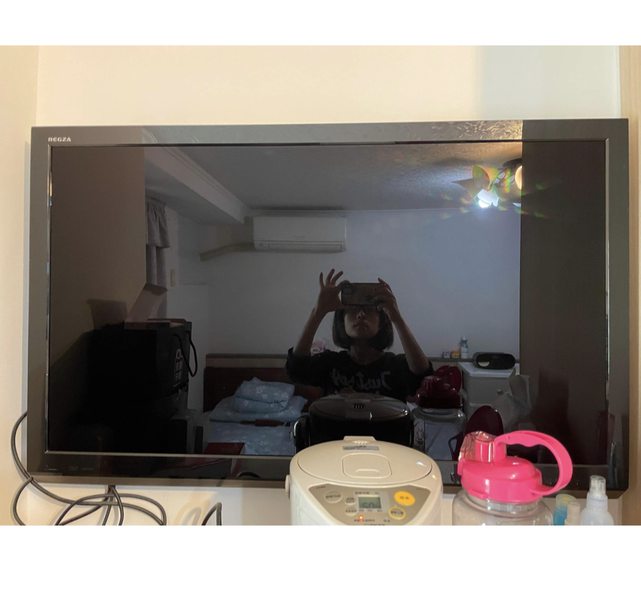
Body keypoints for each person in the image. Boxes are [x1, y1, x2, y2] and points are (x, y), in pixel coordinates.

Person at [286, 268, 433, 402]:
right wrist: (318, 312)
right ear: (342, 322)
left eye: (368, 309)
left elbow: (422, 377)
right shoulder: (330, 363)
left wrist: (397, 318)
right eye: (353, 309)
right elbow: (297, 370)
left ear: (381, 322)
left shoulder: (395, 365)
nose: (361, 314)